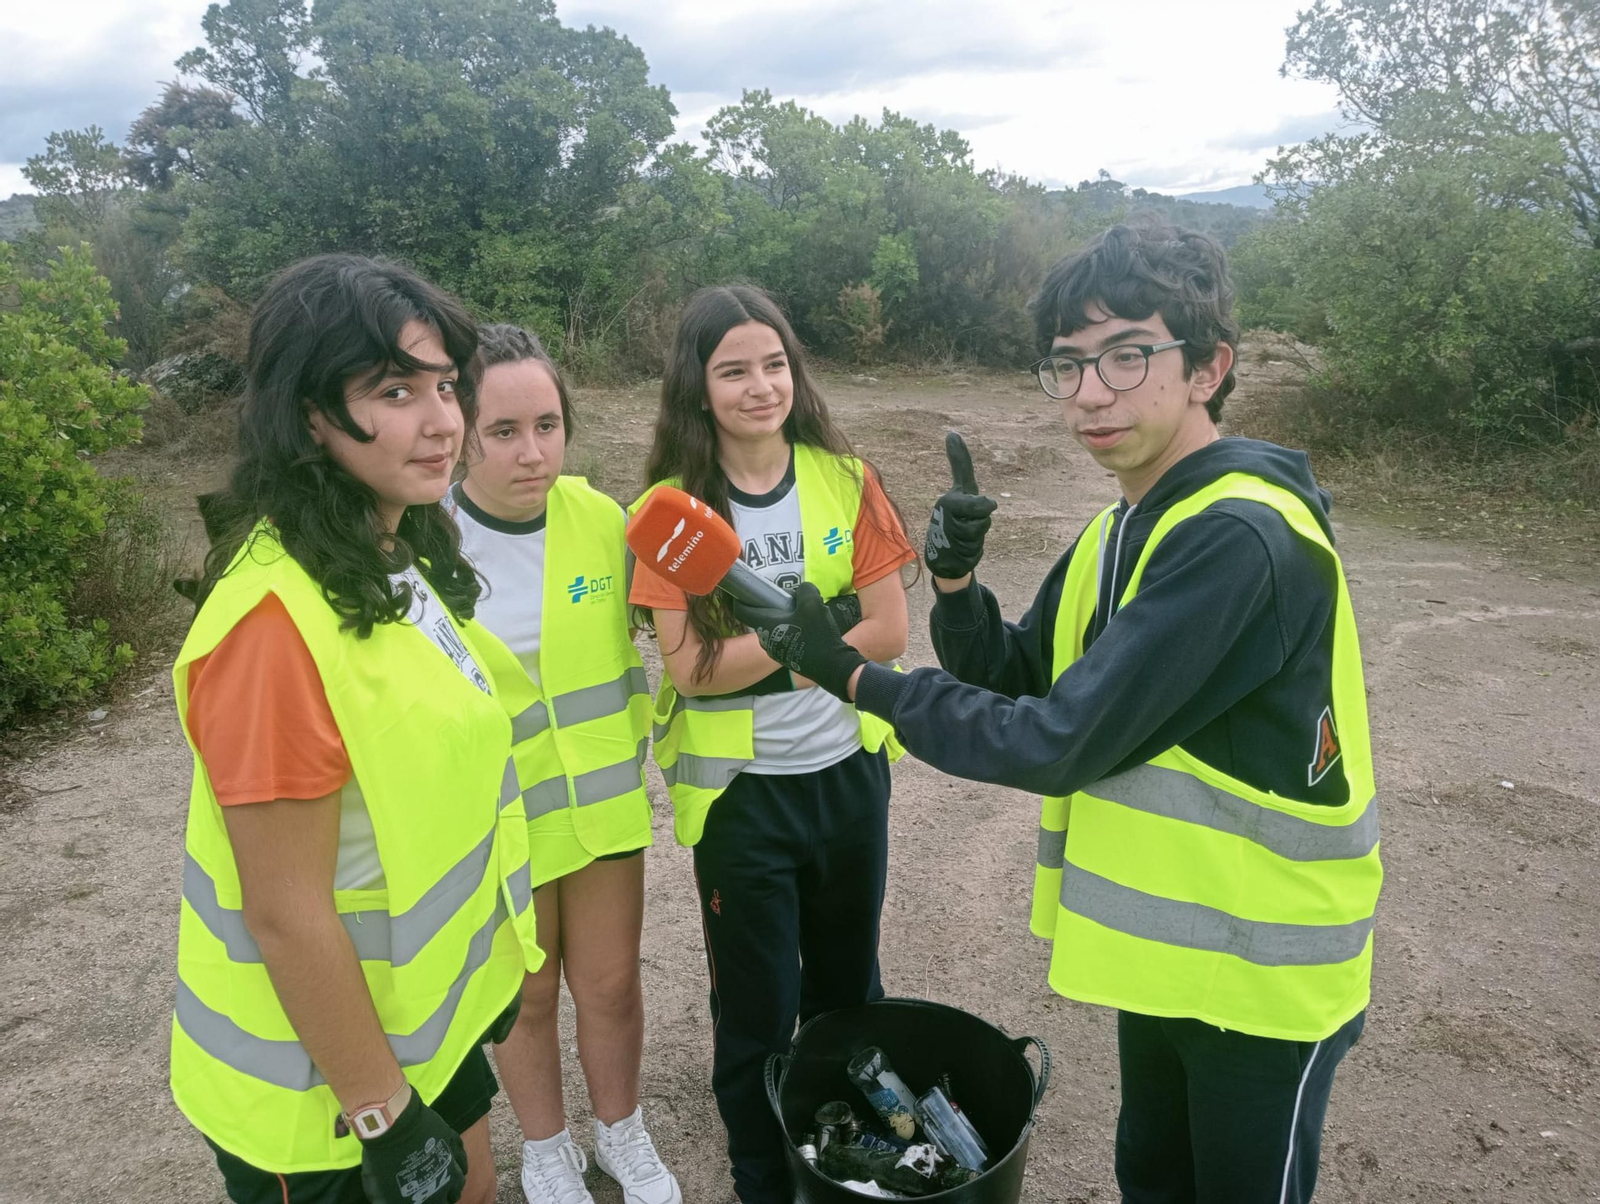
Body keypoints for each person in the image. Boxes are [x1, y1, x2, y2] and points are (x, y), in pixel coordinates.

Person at [731, 223, 1383, 1204]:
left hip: (1259, 976)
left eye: (1128, 356)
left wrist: (854, 677)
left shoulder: (1240, 539)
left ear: (1208, 369)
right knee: (1150, 1177)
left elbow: (1055, 740)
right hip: (1178, 958)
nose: (1090, 392)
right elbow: (1019, 677)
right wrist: (956, 584)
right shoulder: (1128, 526)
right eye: (1069, 364)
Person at [170, 254, 543, 1204]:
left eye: (445, 386)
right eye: (394, 391)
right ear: (307, 414)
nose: (443, 421)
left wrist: (476, 986)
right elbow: (285, 909)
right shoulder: (271, 627)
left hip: (418, 1028)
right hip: (319, 1097)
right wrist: (384, 1114)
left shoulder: (384, 550)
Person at [627, 284, 917, 1203]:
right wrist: (814, 644)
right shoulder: (671, 510)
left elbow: (890, 631)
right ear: (697, 386)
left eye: (774, 364)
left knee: (849, 990)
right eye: (733, 371)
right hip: (744, 800)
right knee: (758, 1010)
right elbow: (690, 670)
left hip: (848, 780)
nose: (760, 387)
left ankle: (845, 1160)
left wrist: (768, 654)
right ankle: (762, 1176)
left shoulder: (848, 479)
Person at [446, 324, 679, 1204]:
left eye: (547, 425)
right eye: (503, 431)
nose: (531, 452)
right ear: (462, 432)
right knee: (530, 997)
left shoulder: (605, 522)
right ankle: (546, 1148)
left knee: (611, 986)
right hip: (500, 821)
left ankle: (621, 1132)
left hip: (603, 807)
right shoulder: (427, 545)